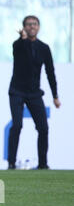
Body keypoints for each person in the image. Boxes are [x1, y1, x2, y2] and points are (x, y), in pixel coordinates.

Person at [8, 15, 61, 170]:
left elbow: (50, 72)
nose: (32, 27)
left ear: (39, 27)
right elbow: (21, 51)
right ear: (24, 27)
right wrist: (23, 39)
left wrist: (55, 95)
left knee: (43, 128)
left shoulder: (44, 48)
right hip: (17, 91)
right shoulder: (18, 45)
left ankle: (43, 163)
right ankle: (11, 162)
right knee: (17, 125)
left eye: (35, 24)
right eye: (28, 24)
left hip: (34, 93)